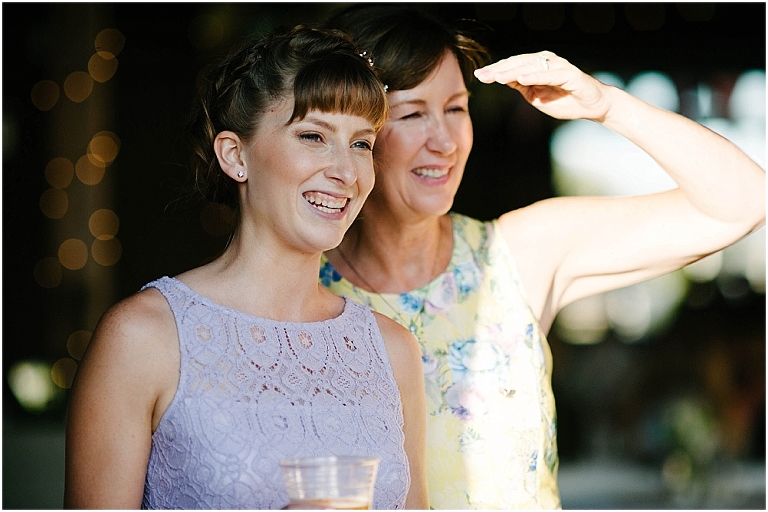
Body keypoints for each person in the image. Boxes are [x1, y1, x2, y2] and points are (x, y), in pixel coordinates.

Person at [319, 4, 766, 509]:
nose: (444, 141)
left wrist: (608, 106)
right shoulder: (301, 291)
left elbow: (745, 201)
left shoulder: (516, 255)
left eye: (456, 108)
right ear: (356, 129)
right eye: (413, 113)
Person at [64, 25, 428, 510]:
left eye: (362, 143)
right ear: (236, 156)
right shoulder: (144, 337)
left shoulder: (393, 351)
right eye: (314, 135)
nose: (346, 171)